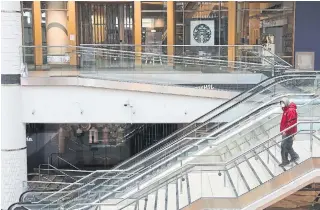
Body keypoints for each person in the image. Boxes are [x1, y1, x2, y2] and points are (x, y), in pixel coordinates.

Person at [279, 97, 300, 167]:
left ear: (286, 102)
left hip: (288, 132)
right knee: (287, 146)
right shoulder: (286, 109)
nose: (282, 104)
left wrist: (286, 130)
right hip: (286, 131)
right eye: (281, 103)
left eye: (283, 103)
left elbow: (291, 122)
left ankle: (285, 161)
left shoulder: (290, 110)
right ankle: (294, 156)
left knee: (283, 146)